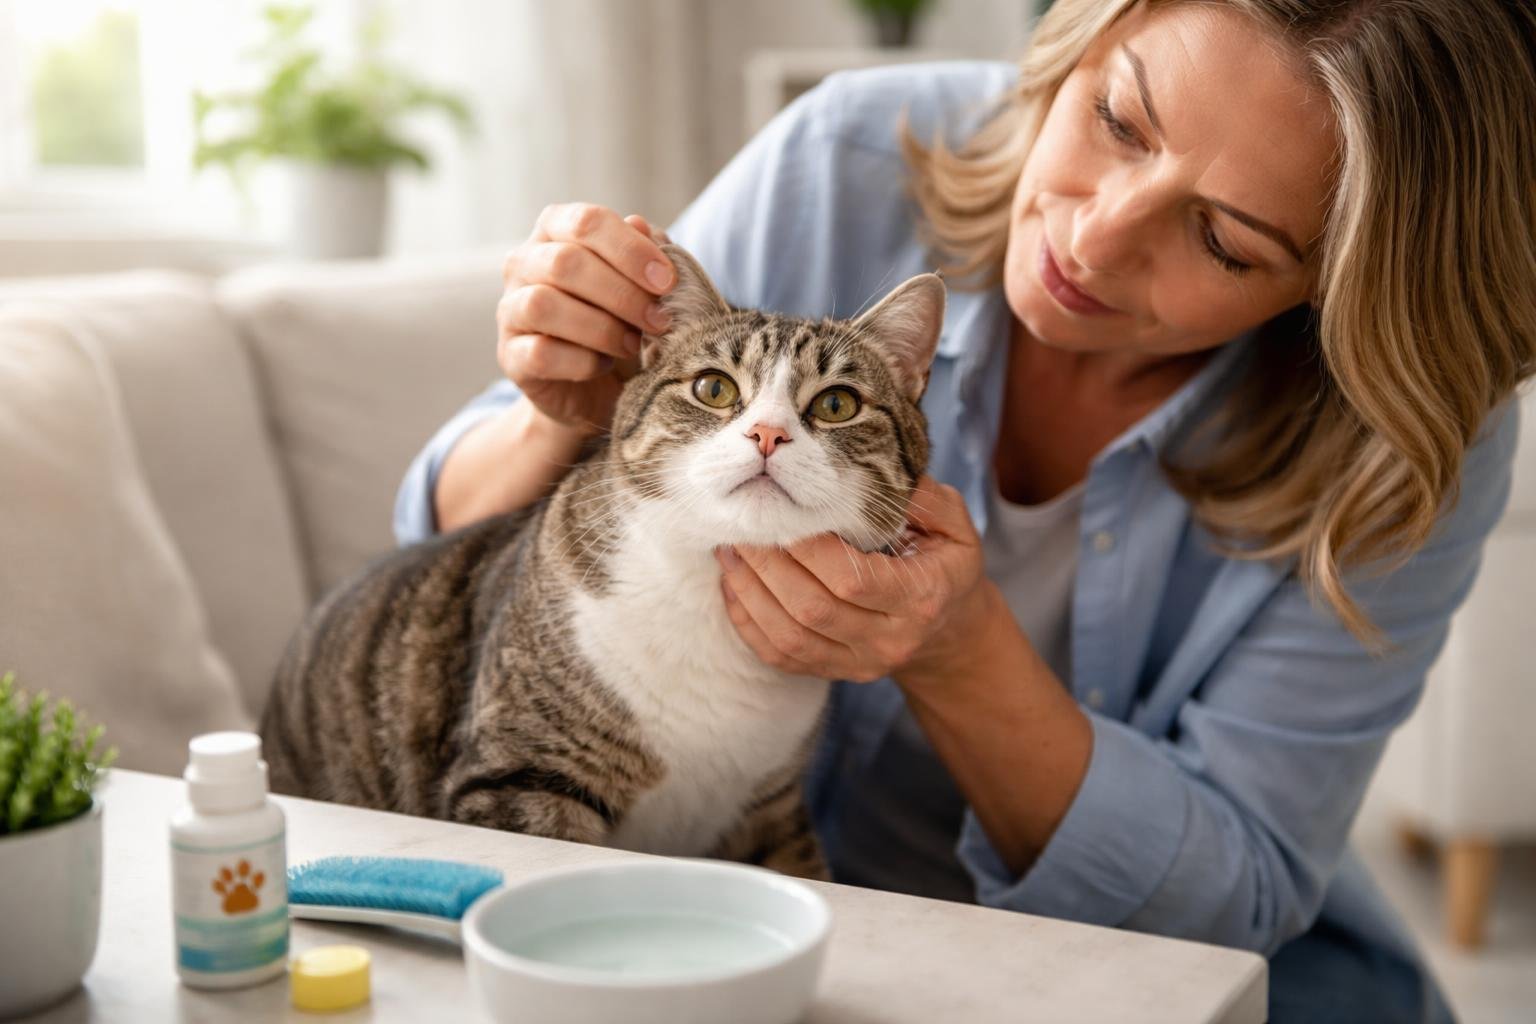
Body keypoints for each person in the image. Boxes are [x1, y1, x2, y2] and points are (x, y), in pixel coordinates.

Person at [393, 1, 1536, 1018]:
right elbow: (438, 568)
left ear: (1335, 293)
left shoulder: (1408, 430)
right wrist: (563, 412)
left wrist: (957, 650)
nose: (1093, 236)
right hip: (775, 930)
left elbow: (1227, 908)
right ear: (1088, 34)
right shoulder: (847, 159)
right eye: (1117, 122)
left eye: (1223, 240)